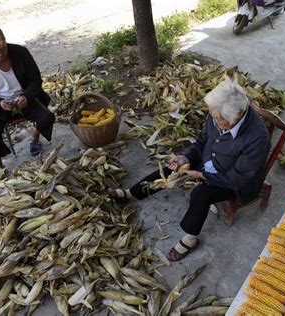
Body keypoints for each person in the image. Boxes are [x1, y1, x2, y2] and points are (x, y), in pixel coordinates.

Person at [108, 76, 271, 261]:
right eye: (212, 115)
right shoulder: (218, 114)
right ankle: (132, 193)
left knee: (201, 194)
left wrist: (202, 175)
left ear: (239, 114)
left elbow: (238, 179)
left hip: (232, 180)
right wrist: (186, 157)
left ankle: (191, 238)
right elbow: (202, 142)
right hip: (209, 161)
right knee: (171, 169)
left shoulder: (258, 139)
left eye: (218, 119)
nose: (213, 120)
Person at [0, 26, 55, 179]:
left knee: (48, 118)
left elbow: (36, 79)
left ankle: (35, 135)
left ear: (5, 40)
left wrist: (26, 97)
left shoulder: (20, 53)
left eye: (2, 49)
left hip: (24, 99)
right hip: (1, 103)